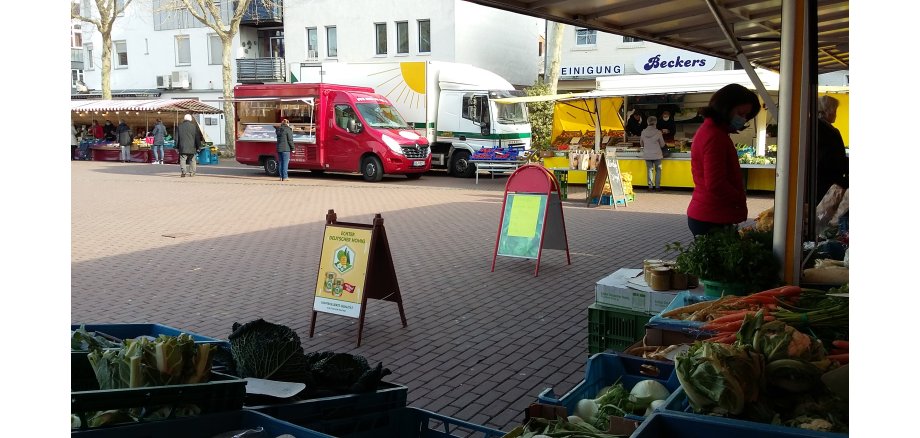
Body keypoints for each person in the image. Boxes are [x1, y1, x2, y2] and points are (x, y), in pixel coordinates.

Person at [686, 83, 761, 236]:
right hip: (712, 216)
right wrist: (739, 197)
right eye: (741, 113)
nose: (743, 119)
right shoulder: (714, 136)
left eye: (746, 116)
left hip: (709, 214)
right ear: (726, 107)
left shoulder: (713, 131)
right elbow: (716, 183)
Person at [815, 95, 848, 199]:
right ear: (827, 111)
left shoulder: (814, 126)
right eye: (835, 110)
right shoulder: (828, 131)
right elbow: (835, 159)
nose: (836, 114)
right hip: (828, 184)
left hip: (820, 181)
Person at [640, 116, 666, 192]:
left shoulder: (643, 132)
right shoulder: (658, 132)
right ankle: (657, 187)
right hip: (657, 154)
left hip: (647, 154)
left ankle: (650, 187)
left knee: (649, 170)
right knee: (658, 170)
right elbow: (662, 144)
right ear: (655, 123)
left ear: (647, 122)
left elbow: (641, 144)